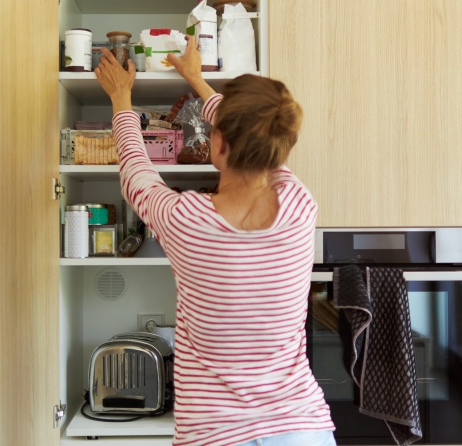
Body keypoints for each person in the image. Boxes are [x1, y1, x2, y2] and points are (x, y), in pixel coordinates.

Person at [94, 37, 335, 446]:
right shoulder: (299, 205)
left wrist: (121, 99)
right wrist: (198, 81)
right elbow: (257, 136)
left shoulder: (188, 221)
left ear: (217, 143)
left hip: (217, 434)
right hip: (300, 428)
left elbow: (137, 176)